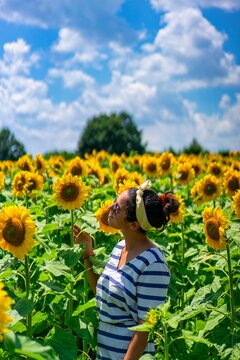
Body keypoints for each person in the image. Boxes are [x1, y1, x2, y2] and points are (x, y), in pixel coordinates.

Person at [74, 180, 179, 360]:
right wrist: (87, 254)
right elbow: (101, 292)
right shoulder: (120, 247)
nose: (111, 208)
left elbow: (144, 329)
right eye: (115, 202)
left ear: (133, 225)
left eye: (118, 208)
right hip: (105, 352)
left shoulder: (153, 264)